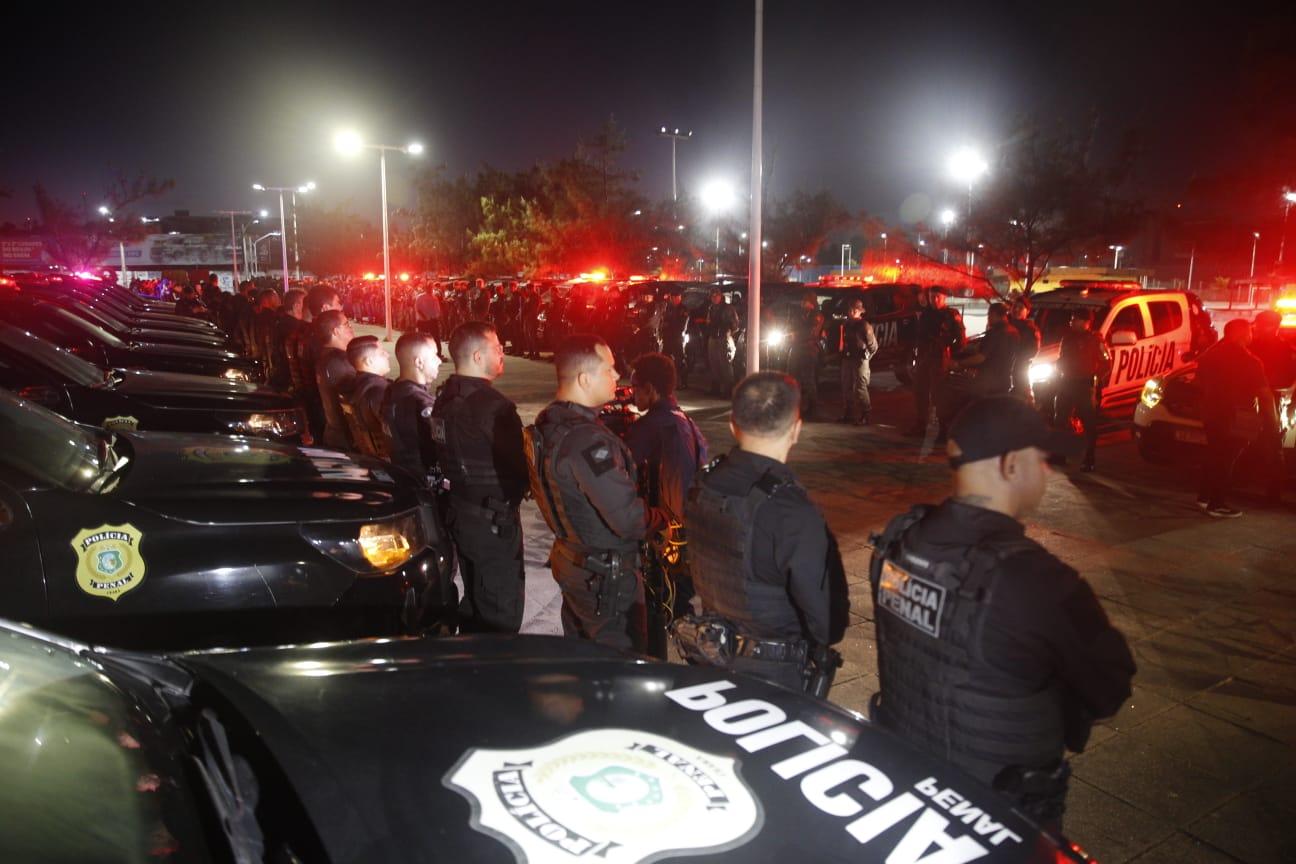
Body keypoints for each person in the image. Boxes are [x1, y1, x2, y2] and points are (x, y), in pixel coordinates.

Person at [868, 395, 1134, 829]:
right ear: (1010, 465)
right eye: (1042, 459)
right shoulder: (1035, 581)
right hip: (996, 820)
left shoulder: (900, 541)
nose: (1047, 470)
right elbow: (1108, 690)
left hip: (908, 792)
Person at [678, 372, 849, 694]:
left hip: (709, 657)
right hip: (773, 678)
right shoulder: (791, 511)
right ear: (796, 429)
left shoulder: (704, 485)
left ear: (732, 424)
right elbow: (826, 624)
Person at [526, 334, 652, 651]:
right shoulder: (588, 441)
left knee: (583, 660)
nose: (617, 375)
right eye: (609, 369)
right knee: (620, 673)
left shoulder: (550, 423)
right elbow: (628, 519)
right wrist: (664, 518)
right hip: (604, 577)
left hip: (575, 562)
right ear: (584, 378)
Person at [430, 321, 529, 634]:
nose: (502, 351)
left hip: (461, 513)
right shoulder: (494, 408)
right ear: (476, 355)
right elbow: (520, 469)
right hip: (493, 524)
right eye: (496, 347)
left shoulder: (445, 398)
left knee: (474, 602)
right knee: (500, 612)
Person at [1194, 318, 1276, 517]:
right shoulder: (1250, 361)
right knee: (1226, 459)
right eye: (1249, 331)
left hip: (1211, 412)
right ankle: (1218, 504)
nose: (1251, 335)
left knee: (1214, 454)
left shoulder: (1210, 356)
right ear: (1240, 334)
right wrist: (1273, 421)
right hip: (1237, 416)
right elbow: (1264, 394)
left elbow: (1198, 383)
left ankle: (1204, 498)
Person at [382, 332, 443, 483]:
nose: (439, 361)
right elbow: (447, 447)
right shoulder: (420, 402)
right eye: (435, 355)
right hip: (426, 482)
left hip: (402, 474)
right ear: (419, 362)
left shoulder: (391, 391)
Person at [1053, 312, 1109, 472]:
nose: (1072, 322)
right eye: (1071, 319)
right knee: (1060, 419)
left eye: (1075, 319)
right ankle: (1059, 454)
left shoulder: (1095, 340)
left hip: (1084, 386)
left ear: (1086, 322)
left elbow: (1106, 362)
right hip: (1066, 383)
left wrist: (1096, 379)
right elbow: (1061, 358)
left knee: (1089, 423)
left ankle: (1089, 459)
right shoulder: (1067, 338)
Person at [1250, 310, 1295, 506]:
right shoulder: (1253, 345)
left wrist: (1287, 392)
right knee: (1256, 443)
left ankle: (1273, 492)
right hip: (1253, 401)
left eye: (1261, 324)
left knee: (1272, 445)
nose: (1257, 327)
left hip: (1271, 401)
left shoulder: (1284, 350)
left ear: (1272, 327)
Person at [908, 289, 964, 436]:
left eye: (937, 297)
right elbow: (918, 336)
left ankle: (943, 428)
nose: (934, 300)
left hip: (940, 358)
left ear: (944, 298)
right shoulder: (926, 313)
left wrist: (951, 352)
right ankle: (920, 425)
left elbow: (960, 339)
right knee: (920, 392)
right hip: (923, 357)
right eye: (932, 297)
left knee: (939, 394)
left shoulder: (951, 315)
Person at [313, 309, 357, 450]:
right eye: (347, 324)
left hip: (334, 434)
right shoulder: (340, 361)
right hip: (346, 440)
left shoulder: (325, 357)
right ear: (336, 331)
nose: (351, 328)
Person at [344, 337, 391, 457]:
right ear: (369, 361)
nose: (388, 355)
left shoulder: (353, 386)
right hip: (391, 462)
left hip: (370, 457)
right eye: (382, 353)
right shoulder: (378, 392)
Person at [838, 298, 878, 425]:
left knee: (860, 388)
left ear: (859, 311)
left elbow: (873, 346)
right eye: (850, 309)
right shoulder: (847, 324)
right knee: (846, 386)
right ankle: (848, 414)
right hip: (848, 359)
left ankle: (866, 414)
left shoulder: (864, 326)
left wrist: (866, 357)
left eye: (853, 310)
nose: (850, 312)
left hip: (859, 360)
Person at [788, 292, 826, 420]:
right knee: (795, 379)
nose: (803, 304)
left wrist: (797, 333)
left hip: (810, 350)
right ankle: (797, 408)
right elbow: (791, 327)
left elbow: (811, 332)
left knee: (809, 380)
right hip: (797, 349)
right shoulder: (799, 315)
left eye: (806, 302)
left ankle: (812, 408)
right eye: (803, 301)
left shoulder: (817, 316)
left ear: (812, 303)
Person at [704, 289, 740, 397]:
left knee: (725, 364)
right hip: (713, 337)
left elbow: (735, 324)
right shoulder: (711, 308)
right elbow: (708, 322)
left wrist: (728, 333)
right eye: (712, 296)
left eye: (716, 296)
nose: (714, 298)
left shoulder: (728, 308)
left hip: (723, 338)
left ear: (720, 296)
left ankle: (728, 389)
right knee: (714, 363)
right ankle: (716, 388)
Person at [273, 289, 307, 394]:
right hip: (291, 384)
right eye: (306, 303)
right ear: (297, 305)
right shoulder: (297, 329)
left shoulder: (280, 323)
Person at [1010, 297, 1041, 404]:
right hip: (1002, 372)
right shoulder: (1004, 324)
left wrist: (1016, 357)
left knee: (1021, 399)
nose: (1017, 310)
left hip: (1019, 371)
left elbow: (1032, 351)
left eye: (1021, 308)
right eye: (1015, 307)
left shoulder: (1030, 329)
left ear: (1027, 311)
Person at [662, 291, 691, 388]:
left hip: (678, 337)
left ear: (679, 297)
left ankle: (682, 381)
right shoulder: (669, 308)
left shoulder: (683, 309)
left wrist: (671, 326)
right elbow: (665, 320)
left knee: (680, 360)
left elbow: (682, 324)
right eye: (673, 297)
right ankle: (668, 380)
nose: (674, 299)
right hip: (668, 337)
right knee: (665, 358)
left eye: (676, 297)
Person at [414, 285, 446, 360]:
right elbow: (418, 308)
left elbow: (437, 309)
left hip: (429, 321)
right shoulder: (423, 297)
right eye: (429, 288)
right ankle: (427, 354)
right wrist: (426, 317)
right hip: (426, 321)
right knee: (427, 338)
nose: (430, 290)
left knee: (432, 338)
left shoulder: (433, 297)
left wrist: (435, 317)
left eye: (431, 288)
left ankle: (436, 354)